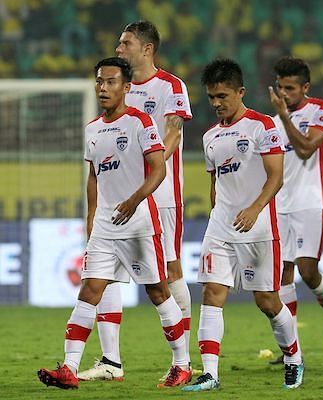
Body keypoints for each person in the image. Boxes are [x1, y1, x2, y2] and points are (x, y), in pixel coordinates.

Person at [38, 57, 189, 389]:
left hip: (140, 224)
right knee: (89, 290)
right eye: (99, 82)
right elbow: (93, 177)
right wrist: (92, 215)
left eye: (110, 82)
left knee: (158, 291)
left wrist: (135, 200)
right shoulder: (92, 128)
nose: (103, 88)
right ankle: (69, 367)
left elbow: (159, 169)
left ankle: (182, 363)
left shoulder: (141, 122)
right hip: (106, 225)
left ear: (126, 87)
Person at [78, 21, 193, 383]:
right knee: (106, 275)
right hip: (119, 202)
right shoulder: (118, 92)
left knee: (169, 275)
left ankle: (185, 358)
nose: (119, 46)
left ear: (147, 48)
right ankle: (110, 361)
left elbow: (173, 132)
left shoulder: (170, 86)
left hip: (161, 196)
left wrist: (146, 169)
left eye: (125, 42)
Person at [182, 58, 303, 392]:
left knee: (266, 300)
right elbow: (215, 183)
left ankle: (293, 357)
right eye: (211, 97)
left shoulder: (262, 126)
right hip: (221, 226)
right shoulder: (209, 137)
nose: (217, 103)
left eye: (222, 96)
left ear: (240, 92)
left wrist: (254, 208)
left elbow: (276, 176)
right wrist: (217, 215)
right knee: (212, 292)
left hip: (260, 225)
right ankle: (210, 374)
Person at [266, 56, 323, 364]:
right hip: (280, 205)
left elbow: (304, 149)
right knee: (282, 276)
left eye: (290, 88)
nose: (284, 93)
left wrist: (284, 116)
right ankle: (291, 349)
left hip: (309, 201)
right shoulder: (273, 122)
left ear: (305, 87)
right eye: (280, 87)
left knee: (307, 270)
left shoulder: (322, 110)